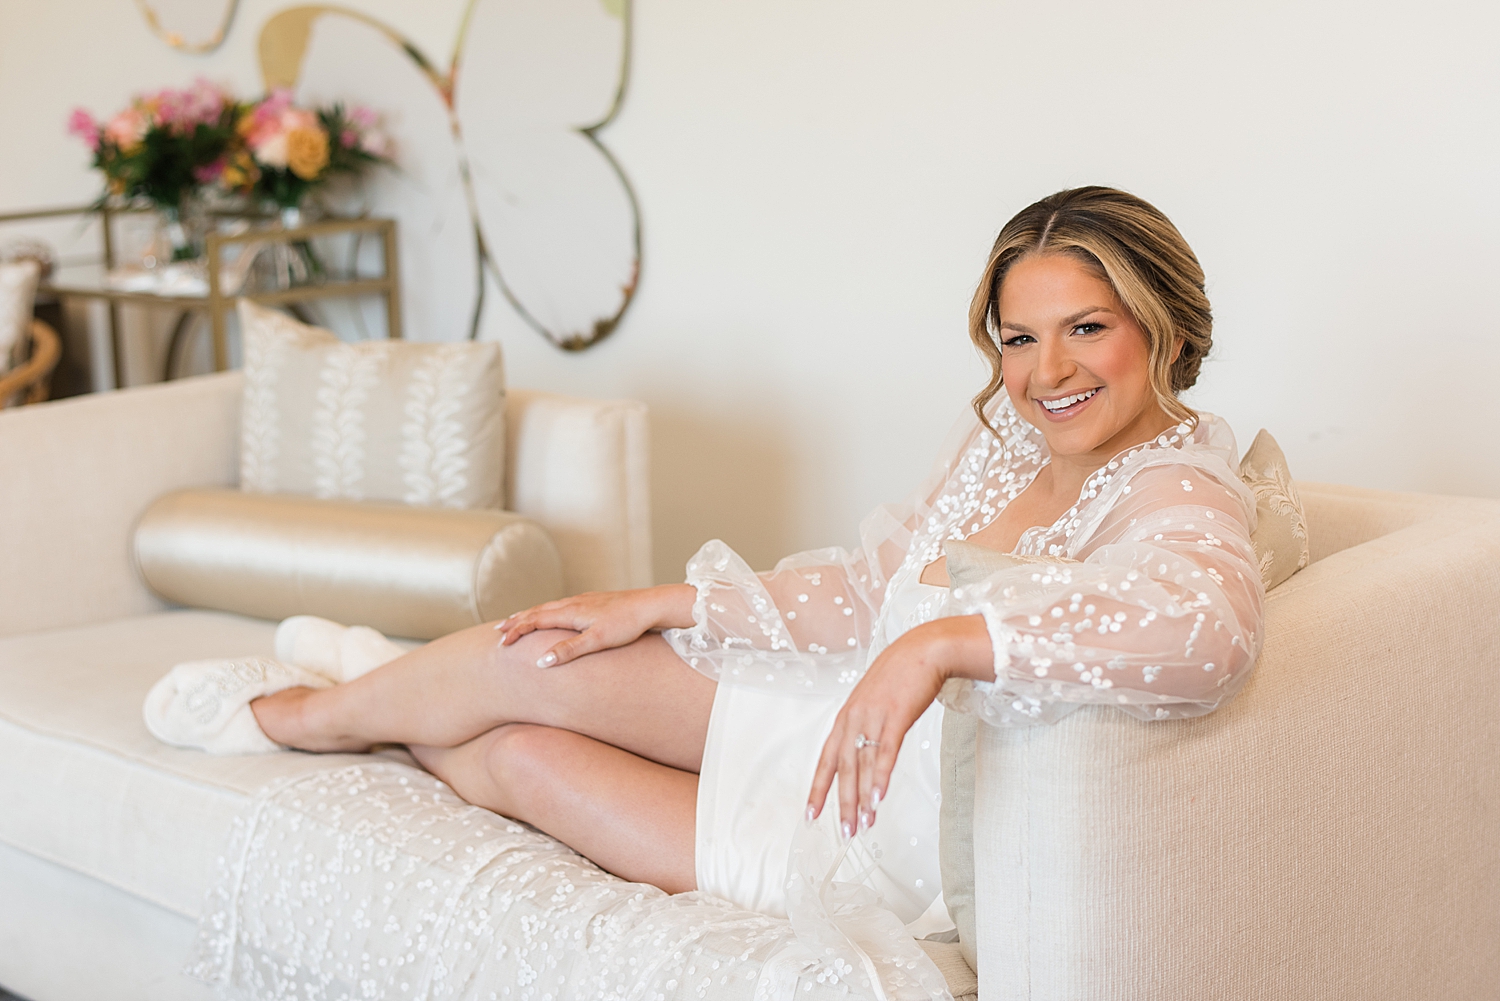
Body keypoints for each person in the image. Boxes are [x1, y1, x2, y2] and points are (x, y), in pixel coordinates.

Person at [146, 186, 1264, 951]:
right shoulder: (1007, 442)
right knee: (544, 647)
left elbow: (1208, 636)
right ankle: (313, 712)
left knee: (520, 752)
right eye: (1019, 338)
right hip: (818, 716)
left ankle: (386, 696)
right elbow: (875, 582)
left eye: (1086, 328)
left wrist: (944, 642)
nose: (1046, 371)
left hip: (861, 839)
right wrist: (667, 600)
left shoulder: (1179, 486)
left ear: (1161, 324)